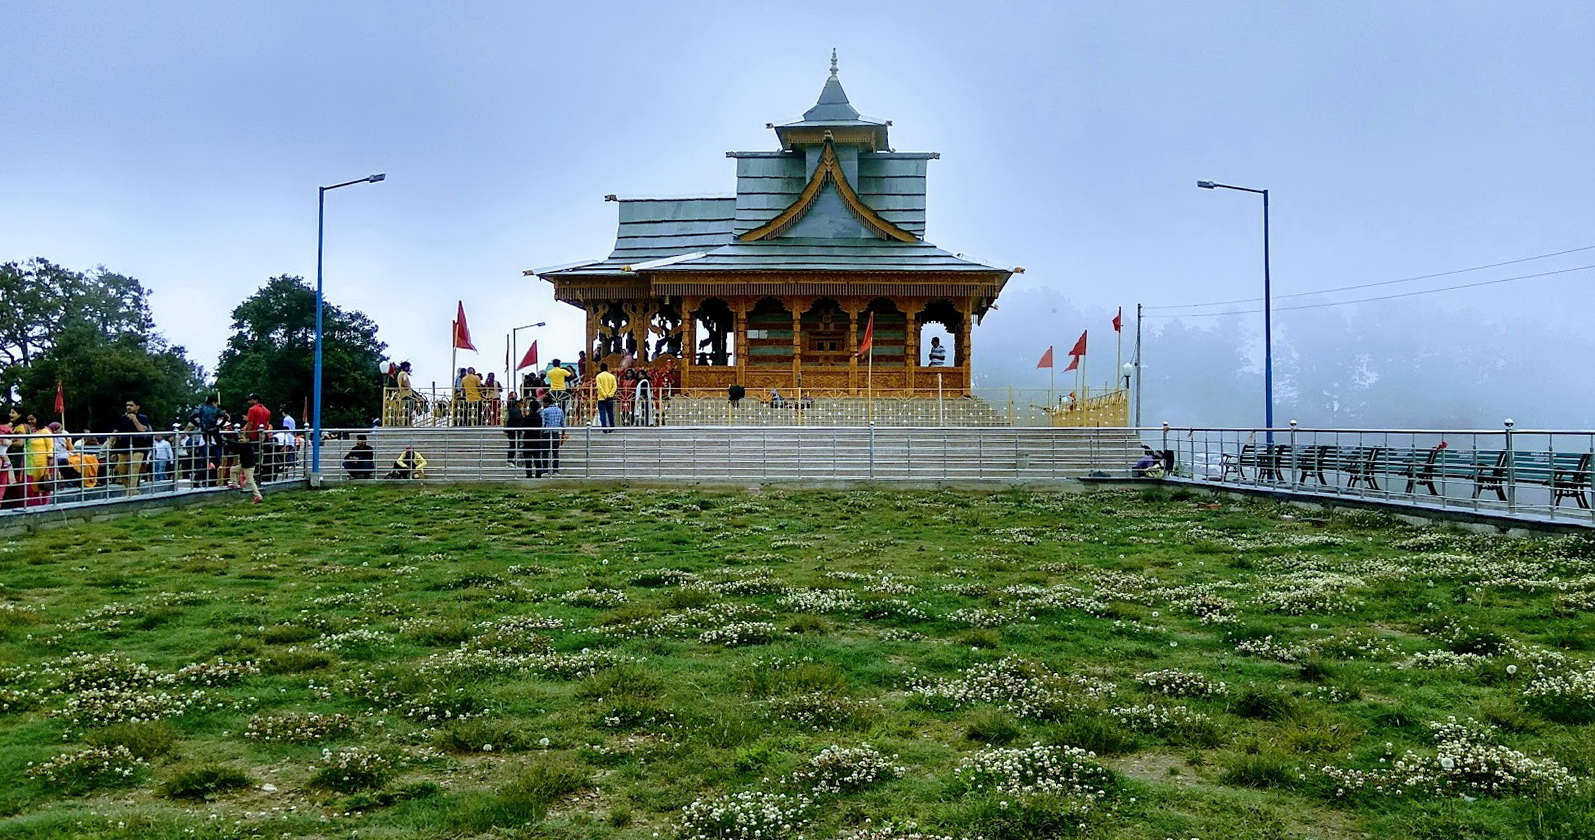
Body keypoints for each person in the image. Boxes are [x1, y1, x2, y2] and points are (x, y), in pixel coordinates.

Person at [108, 399, 153, 496]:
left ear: (137, 407)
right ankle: (131, 489)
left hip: (138, 447)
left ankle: (132, 492)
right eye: (127, 405)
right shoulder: (122, 418)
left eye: (131, 405)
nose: (128, 407)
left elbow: (142, 429)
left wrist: (134, 419)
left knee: (135, 467)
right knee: (121, 470)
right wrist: (110, 443)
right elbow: (116, 431)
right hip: (123, 448)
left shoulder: (143, 418)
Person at [219, 430, 263, 503]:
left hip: (248, 466)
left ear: (247, 439)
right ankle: (234, 484)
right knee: (233, 470)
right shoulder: (247, 445)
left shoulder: (245, 446)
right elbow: (235, 448)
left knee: (250, 481)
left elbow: (235, 444)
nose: (240, 440)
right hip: (245, 465)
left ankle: (258, 496)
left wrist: (225, 439)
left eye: (242, 438)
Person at [520, 394, 546, 477]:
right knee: (537, 457)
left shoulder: (527, 418)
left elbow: (522, 427)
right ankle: (538, 473)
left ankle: (529, 474)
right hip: (537, 439)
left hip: (528, 439)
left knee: (528, 459)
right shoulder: (539, 418)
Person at [539, 394, 565, 475]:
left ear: (547, 403)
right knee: (555, 453)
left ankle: (545, 470)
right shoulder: (560, 410)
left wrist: (540, 433)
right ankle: (555, 470)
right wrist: (563, 435)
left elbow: (542, 424)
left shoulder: (545, 411)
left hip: (546, 433)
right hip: (555, 433)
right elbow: (563, 424)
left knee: (545, 452)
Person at [594, 362, 617, 431]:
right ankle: (612, 427)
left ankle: (604, 428)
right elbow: (614, 387)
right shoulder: (612, 376)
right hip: (610, 398)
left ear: (600, 368)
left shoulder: (599, 376)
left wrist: (604, 395)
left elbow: (599, 387)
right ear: (607, 368)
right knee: (610, 413)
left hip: (601, 398)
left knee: (602, 413)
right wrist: (610, 395)